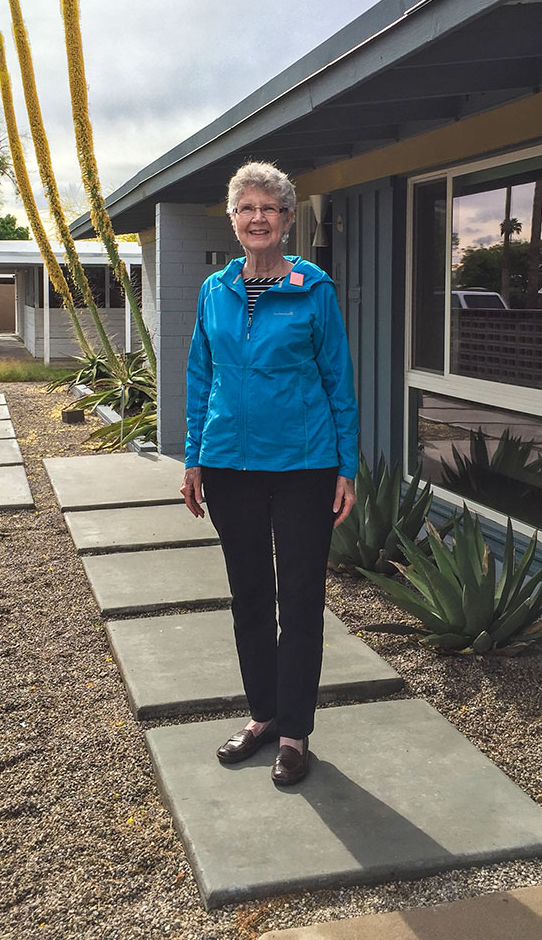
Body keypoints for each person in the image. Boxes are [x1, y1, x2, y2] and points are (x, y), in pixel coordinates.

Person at [180, 161, 358, 787]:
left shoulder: (315, 290)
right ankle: (261, 717)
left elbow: (339, 379)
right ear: (233, 220)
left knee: (301, 600)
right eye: (246, 208)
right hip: (230, 466)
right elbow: (201, 375)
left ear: (287, 220)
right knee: (250, 595)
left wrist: (347, 466)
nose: (258, 218)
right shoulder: (214, 292)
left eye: (270, 208)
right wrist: (193, 455)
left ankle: (294, 733)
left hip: (306, 467)